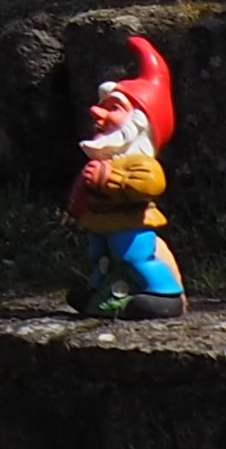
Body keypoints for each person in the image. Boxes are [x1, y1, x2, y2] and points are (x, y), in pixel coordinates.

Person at [66, 35, 187, 320]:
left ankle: (163, 291)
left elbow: (151, 184)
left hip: (130, 225)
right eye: (102, 106)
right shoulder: (101, 159)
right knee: (101, 258)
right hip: (99, 224)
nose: (98, 113)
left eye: (113, 108)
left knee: (134, 257)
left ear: (138, 123)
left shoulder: (139, 162)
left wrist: (110, 179)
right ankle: (99, 291)